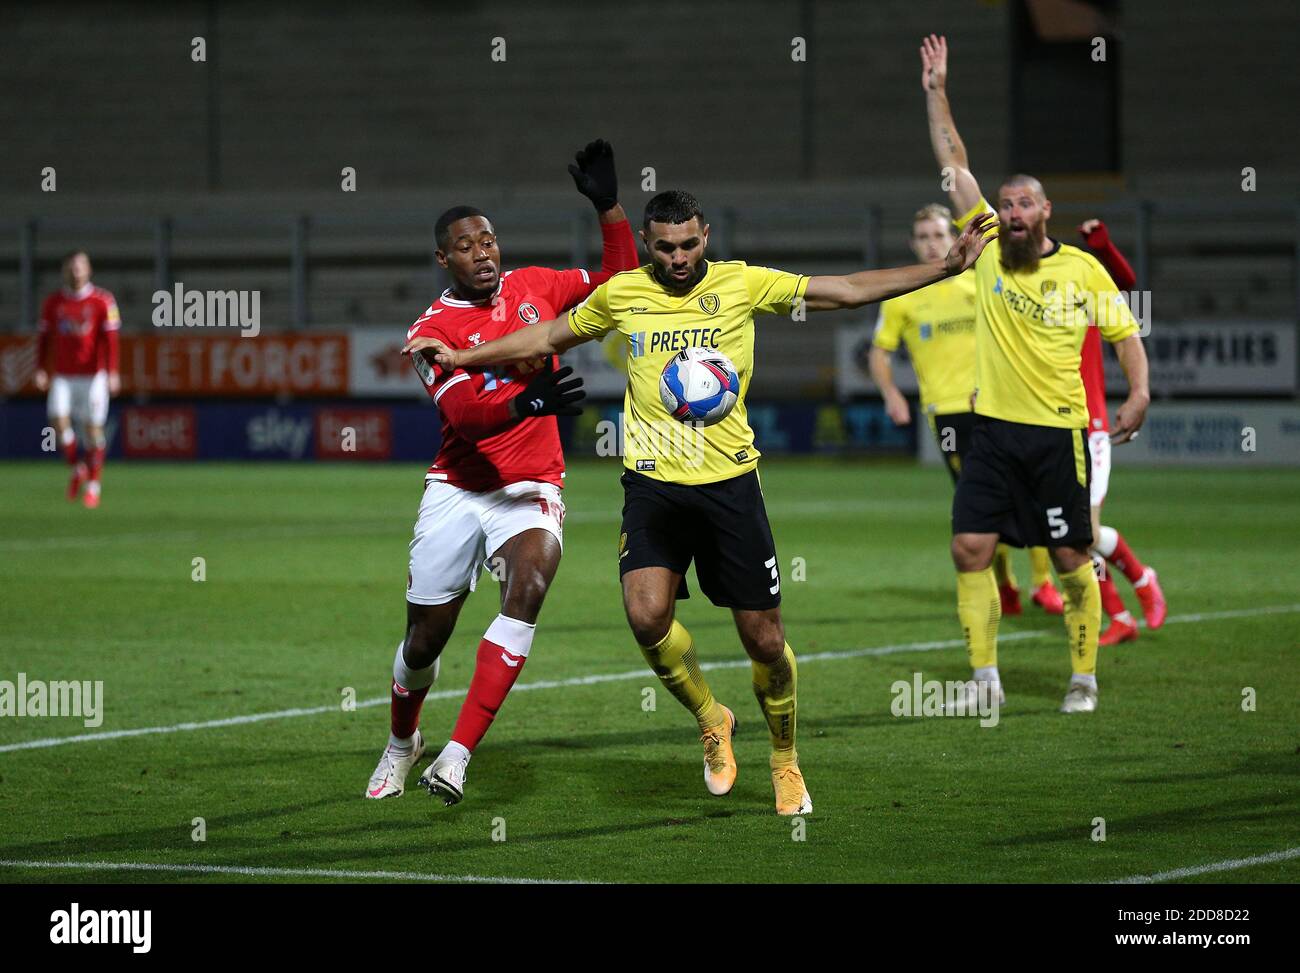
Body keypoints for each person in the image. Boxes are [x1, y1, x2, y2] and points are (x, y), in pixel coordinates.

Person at [405, 188, 996, 813]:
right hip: (653, 486)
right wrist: (464, 355)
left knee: (765, 642)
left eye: (688, 244)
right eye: (664, 247)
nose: (678, 257)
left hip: (730, 486)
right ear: (649, 244)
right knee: (645, 616)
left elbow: (843, 288)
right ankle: (713, 718)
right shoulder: (627, 292)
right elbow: (543, 338)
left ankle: (785, 757)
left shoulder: (744, 284)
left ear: (705, 236)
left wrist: (946, 267)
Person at [365, 140, 639, 804]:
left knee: (531, 583)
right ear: (443, 259)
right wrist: (527, 399)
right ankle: (403, 741)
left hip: (531, 486)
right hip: (460, 489)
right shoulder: (430, 331)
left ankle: (456, 755)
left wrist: (609, 208)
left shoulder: (535, 286)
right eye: (466, 245)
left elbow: (623, 283)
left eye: (489, 239)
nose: (483, 251)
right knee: (423, 641)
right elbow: (466, 417)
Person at [918, 33, 1151, 714]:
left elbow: (1125, 334)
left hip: (1058, 436)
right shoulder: (986, 247)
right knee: (970, 547)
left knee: (1074, 557)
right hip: (990, 433)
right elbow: (953, 163)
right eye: (1005, 204)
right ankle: (983, 674)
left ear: (1045, 211)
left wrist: (1138, 391)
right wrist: (936, 92)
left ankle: (1083, 674)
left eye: (1024, 205)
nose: (1012, 214)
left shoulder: (1082, 268)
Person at [870, 203, 1063, 616]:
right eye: (922, 237)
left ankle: (1043, 583)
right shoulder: (904, 294)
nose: (931, 243)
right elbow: (879, 352)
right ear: (912, 243)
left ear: (953, 237)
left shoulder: (981, 282)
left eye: (938, 235)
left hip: (997, 402)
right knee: (980, 503)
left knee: (1027, 489)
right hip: (947, 413)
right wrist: (891, 393)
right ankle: (1006, 585)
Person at [1076, 219, 1168, 644]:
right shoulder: (1018, 300)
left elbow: (1125, 283)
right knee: (1064, 536)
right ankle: (1120, 618)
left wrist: (1105, 248)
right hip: (1040, 428)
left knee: (1084, 533)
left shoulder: (1078, 287)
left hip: (1088, 424)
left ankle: (1141, 577)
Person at [34, 250, 121, 508]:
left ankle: (93, 485)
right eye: (72, 267)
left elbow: (111, 340)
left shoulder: (103, 301)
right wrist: (41, 368)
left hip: (93, 376)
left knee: (93, 432)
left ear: (89, 270)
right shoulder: (53, 303)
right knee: (58, 425)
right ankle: (78, 468)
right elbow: (44, 338)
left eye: (80, 267)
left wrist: (113, 372)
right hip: (63, 376)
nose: (76, 271)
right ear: (65, 271)